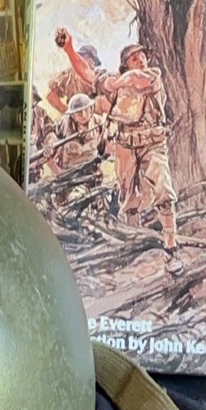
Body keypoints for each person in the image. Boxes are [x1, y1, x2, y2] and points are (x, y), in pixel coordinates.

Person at [57, 31, 184, 272]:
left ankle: (171, 248)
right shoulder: (116, 82)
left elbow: (138, 79)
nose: (141, 61)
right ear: (125, 64)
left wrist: (115, 82)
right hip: (126, 146)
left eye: (142, 56)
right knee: (128, 199)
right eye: (135, 58)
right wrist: (69, 49)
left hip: (152, 143)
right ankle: (135, 244)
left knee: (164, 191)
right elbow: (87, 73)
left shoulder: (152, 76)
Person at [48, 29, 104, 112]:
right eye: (87, 58)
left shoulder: (97, 76)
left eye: (93, 61)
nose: (91, 63)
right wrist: (66, 110)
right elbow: (51, 96)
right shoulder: (69, 75)